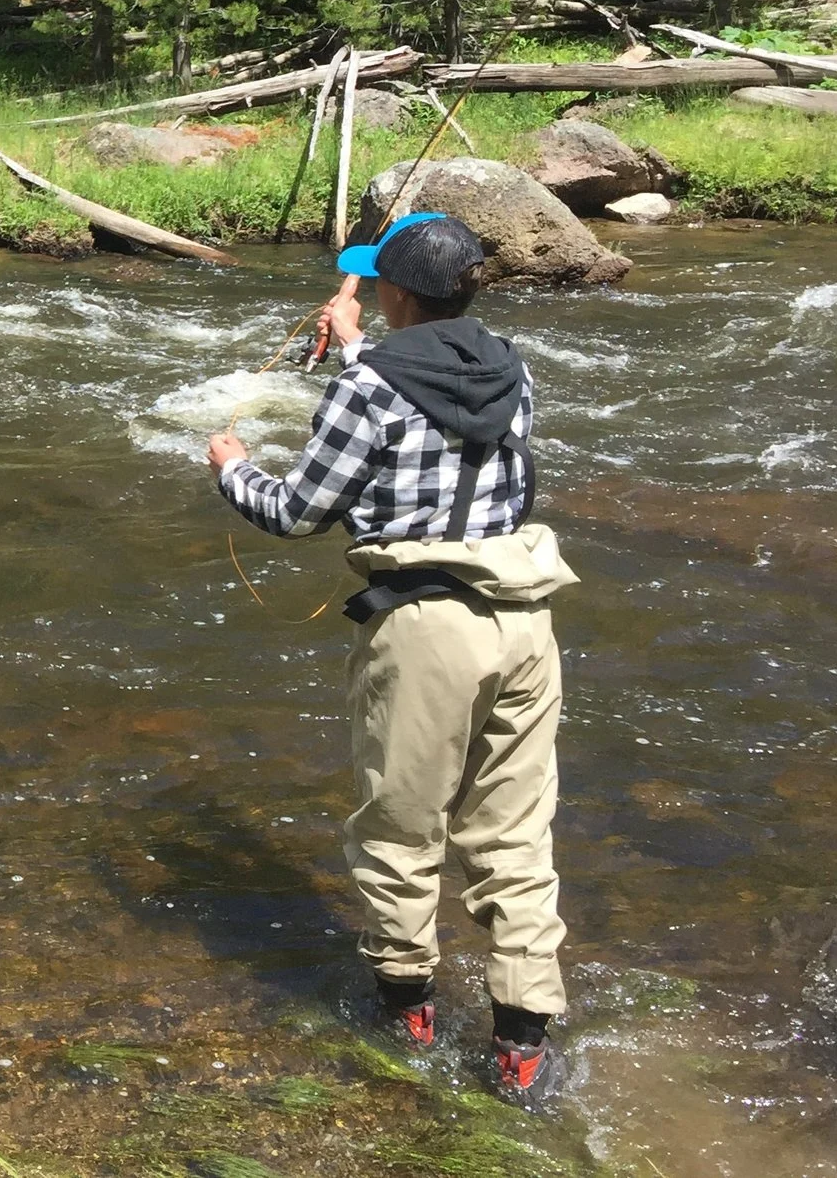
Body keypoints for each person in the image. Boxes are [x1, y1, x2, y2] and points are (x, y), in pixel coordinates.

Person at [204, 212, 579, 1105]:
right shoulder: (510, 367)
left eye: (377, 283)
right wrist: (354, 351)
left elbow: (298, 510)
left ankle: (405, 1010)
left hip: (426, 628)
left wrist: (229, 466)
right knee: (517, 837)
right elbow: (429, 416)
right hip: (526, 617)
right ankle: (522, 1044)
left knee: (403, 829)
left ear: (400, 293)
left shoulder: (368, 385)